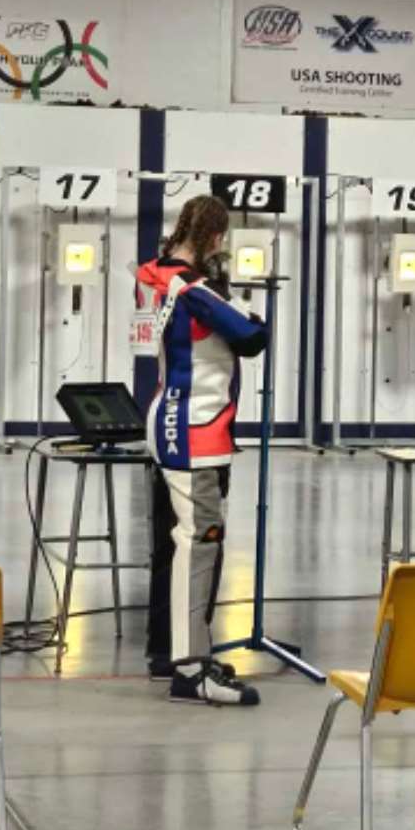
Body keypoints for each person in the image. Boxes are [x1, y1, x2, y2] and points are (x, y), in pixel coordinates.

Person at [137, 195, 268, 707]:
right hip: (196, 427)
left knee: (185, 544)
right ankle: (190, 669)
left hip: (174, 419)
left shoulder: (161, 276)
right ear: (215, 238)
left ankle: (185, 653)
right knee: (200, 542)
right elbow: (252, 335)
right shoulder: (192, 288)